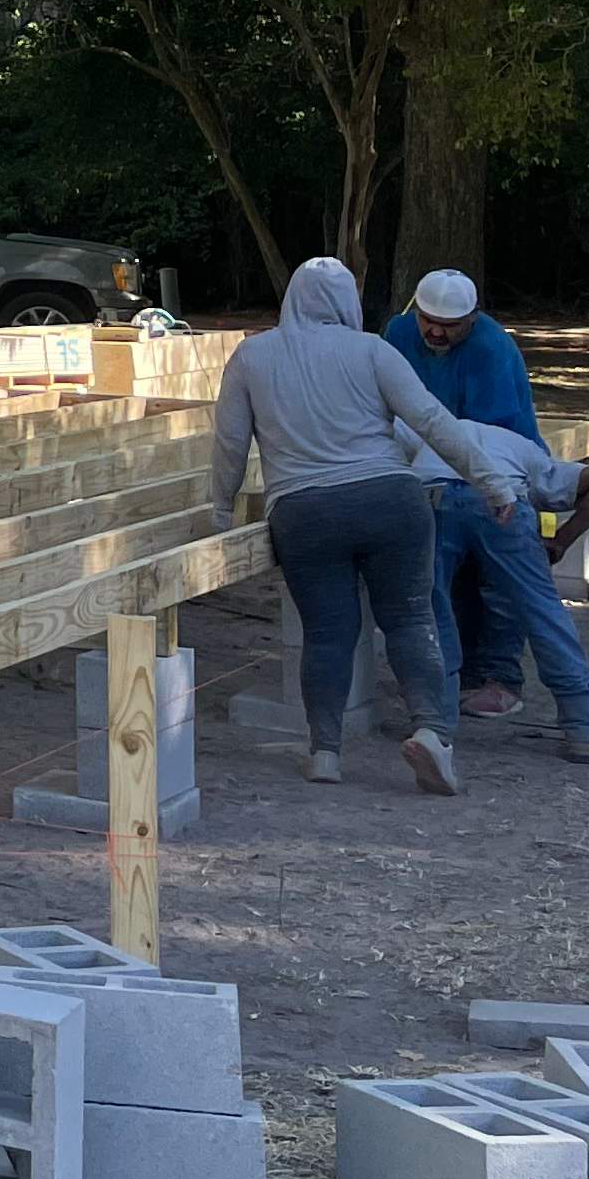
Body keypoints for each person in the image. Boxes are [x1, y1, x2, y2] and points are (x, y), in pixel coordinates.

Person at [212, 257, 521, 794]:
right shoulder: (373, 350)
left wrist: (219, 512)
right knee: (409, 622)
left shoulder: (250, 356)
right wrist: (492, 482)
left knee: (327, 634)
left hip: (304, 513)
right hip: (390, 502)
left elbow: (230, 445)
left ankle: (324, 752)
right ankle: (432, 732)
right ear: (346, 304)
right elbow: (429, 421)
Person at [381, 268, 549, 718]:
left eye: (449, 325)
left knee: (498, 582)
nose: (435, 331)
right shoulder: (398, 333)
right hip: (428, 465)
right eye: (428, 320)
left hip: (497, 465)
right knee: (440, 577)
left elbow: (482, 436)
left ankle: (500, 678)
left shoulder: (491, 348)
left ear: (472, 318)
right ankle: (448, 677)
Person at [428, 416, 589, 764]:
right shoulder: (532, 455)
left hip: (433, 495)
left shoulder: (426, 430)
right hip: (503, 498)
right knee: (542, 610)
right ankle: (583, 728)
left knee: (431, 610)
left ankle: (434, 724)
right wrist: (561, 543)